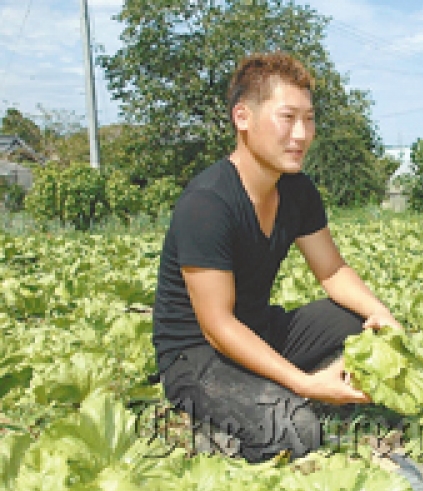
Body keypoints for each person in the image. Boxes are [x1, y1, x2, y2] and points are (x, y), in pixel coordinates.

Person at [151, 52, 402, 462]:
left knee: (359, 322)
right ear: (242, 118)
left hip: (257, 328)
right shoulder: (208, 203)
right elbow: (216, 326)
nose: (302, 134)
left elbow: (333, 270)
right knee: (296, 430)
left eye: (309, 118)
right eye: (287, 118)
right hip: (197, 356)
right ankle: (217, 423)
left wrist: (383, 316)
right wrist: (303, 383)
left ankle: (276, 390)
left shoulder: (296, 190)